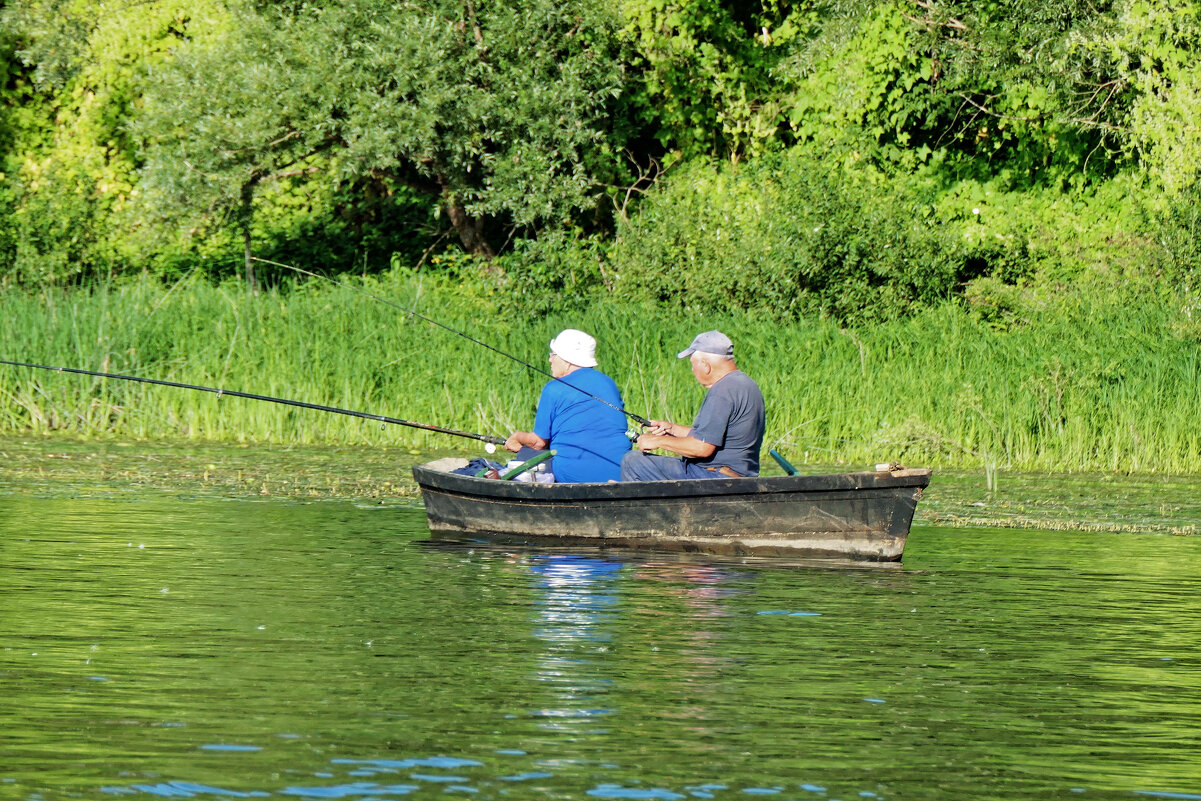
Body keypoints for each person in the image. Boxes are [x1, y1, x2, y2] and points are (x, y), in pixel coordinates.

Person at [620, 330, 764, 481]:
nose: (692, 370)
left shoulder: (722, 392)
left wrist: (656, 441)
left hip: (716, 476)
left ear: (705, 365)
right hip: (738, 474)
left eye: (693, 364)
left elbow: (702, 448)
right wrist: (672, 429)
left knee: (633, 462)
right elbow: (710, 436)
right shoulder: (746, 384)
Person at [504, 328, 631, 483]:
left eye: (553, 354)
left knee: (525, 455)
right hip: (620, 473)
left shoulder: (553, 388)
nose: (550, 359)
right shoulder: (609, 383)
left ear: (567, 360)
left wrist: (517, 437)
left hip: (572, 475)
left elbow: (538, 443)